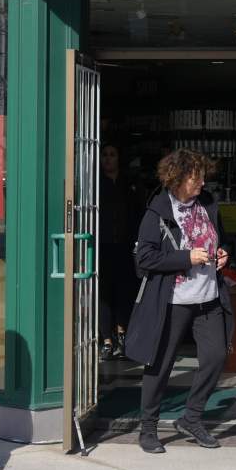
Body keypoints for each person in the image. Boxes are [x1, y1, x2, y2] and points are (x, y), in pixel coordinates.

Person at [125, 149, 233, 454]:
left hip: (208, 297)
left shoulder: (208, 204)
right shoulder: (157, 212)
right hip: (172, 300)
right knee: (160, 365)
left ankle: (192, 418)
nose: (201, 182)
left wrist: (223, 255)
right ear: (177, 178)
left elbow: (219, 239)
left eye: (201, 175)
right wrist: (186, 257)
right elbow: (144, 259)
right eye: (194, 176)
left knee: (215, 358)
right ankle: (148, 428)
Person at [98, 143, 137, 360]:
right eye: (104, 155)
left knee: (124, 293)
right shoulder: (95, 184)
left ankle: (122, 334)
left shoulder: (128, 184)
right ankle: (106, 340)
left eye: (112, 155)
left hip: (125, 247)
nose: (108, 159)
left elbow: (137, 213)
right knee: (104, 295)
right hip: (103, 247)